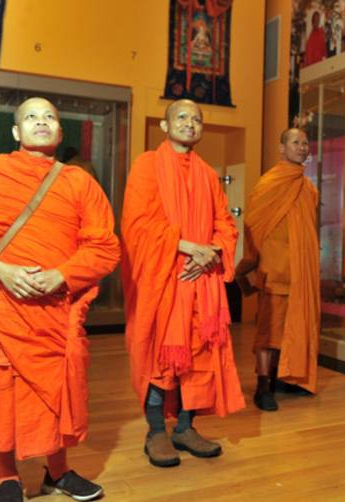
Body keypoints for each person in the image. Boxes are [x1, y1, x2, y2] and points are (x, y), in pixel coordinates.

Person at [0, 97, 120, 501]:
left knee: (56, 391)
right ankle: (7, 477)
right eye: (32, 117)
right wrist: (2, 271)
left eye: (50, 116)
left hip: (57, 309)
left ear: (60, 132)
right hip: (4, 306)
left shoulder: (79, 183)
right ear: (17, 132)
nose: (42, 121)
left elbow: (104, 246)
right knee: (2, 392)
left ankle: (58, 471)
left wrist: (62, 275)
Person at [121, 99, 245, 468]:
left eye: (196, 119)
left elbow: (226, 223)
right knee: (162, 355)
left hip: (202, 281)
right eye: (181, 117)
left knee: (200, 355)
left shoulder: (208, 173)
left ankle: (186, 426)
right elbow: (137, 223)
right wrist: (189, 246)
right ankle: (157, 430)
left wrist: (213, 251)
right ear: (164, 125)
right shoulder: (147, 165)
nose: (190, 123)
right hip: (164, 278)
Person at [235, 128, 320, 411]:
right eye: (295, 142)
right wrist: (250, 264)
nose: (302, 147)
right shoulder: (270, 182)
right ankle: (262, 385)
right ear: (281, 148)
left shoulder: (308, 188)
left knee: (294, 326)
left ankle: (284, 377)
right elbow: (254, 227)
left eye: (305, 143)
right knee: (269, 330)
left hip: (301, 270)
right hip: (275, 269)